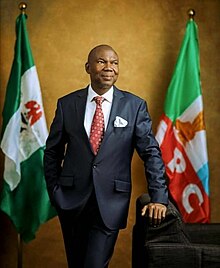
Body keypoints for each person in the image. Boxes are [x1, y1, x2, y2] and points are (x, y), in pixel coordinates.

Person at [44, 44, 168, 268]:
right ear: (88, 67)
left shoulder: (134, 106)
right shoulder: (67, 104)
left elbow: (151, 153)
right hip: (71, 201)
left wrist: (159, 198)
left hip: (111, 201)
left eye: (114, 62)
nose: (109, 67)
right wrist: (55, 192)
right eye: (102, 61)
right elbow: (52, 151)